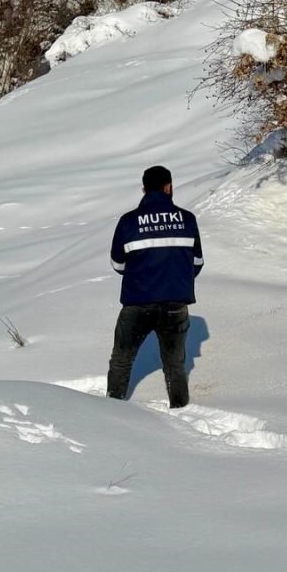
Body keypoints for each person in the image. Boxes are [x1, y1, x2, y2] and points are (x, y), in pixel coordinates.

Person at [106, 166, 203, 408]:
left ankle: (110, 411)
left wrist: (140, 275)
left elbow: (117, 264)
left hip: (137, 301)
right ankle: (180, 411)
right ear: (168, 187)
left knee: (121, 360)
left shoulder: (128, 222)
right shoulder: (187, 219)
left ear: (143, 189)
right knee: (175, 365)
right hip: (175, 303)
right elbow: (197, 263)